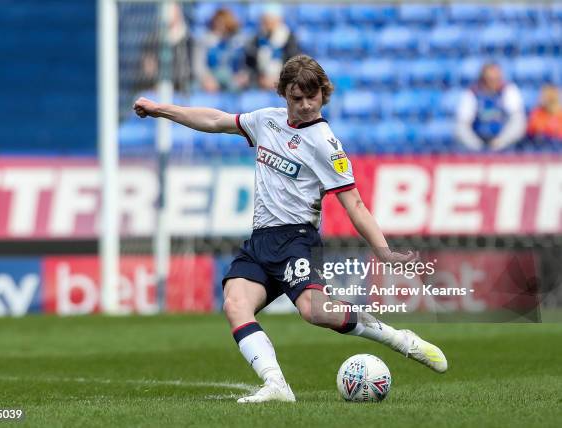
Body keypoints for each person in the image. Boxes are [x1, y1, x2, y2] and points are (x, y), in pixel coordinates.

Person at [133, 55, 447, 404]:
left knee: (315, 311)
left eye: (312, 97)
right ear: (284, 94)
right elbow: (216, 119)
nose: (305, 105)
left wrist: (384, 251)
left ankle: (399, 339)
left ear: (323, 95)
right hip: (260, 239)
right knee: (235, 304)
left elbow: (354, 203)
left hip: (297, 239)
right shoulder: (267, 120)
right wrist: (161, 109)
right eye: (296, 98)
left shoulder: (325, 144)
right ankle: (276, 385)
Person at [455, 62, 526, 151]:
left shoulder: (508, 90)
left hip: (505, 145)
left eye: (496, 79)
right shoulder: (472, 93)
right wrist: (477, 146)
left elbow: (517, 121)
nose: (493, 82)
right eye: (489, 79)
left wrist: (500, 142)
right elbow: (462, 125)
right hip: (477, 143)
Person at [136, 3, 192, 94]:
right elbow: (148, 65)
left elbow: (192, 68)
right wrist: (155, 80)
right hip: (158, 85)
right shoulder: (152, 39)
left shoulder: (189, 40)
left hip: (182, 86)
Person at [244, 4, 301, 90]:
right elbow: (250, 62)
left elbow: (293, 63)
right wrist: (260, 77)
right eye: (264, 20)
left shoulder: (289, 38)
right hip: (260, 81)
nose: (267, 23)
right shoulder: (256, 39)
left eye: (270, 20)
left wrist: (279, 79)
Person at [193, 8, 249, 92]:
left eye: (224, 24)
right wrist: (206, 79)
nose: (221, 26)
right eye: (218, 23)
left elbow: (243, 64)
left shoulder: (237, 41)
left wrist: (242, 76)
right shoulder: (205, 40)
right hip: (211, 80)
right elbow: (199, 65)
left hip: (232, 81)